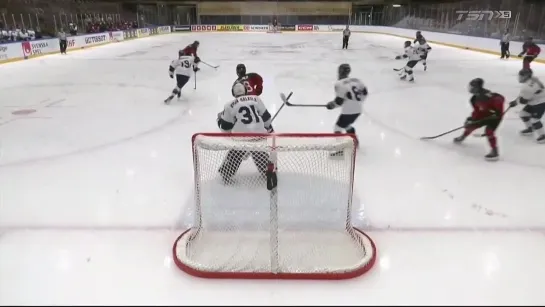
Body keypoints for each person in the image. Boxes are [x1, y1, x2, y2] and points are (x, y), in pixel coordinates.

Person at [216, 82, 275, 185]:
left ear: (233, 93)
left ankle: (226, 173)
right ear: (246, 90)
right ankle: (268, 171)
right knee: (258, 152)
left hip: (241, 138)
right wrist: (267, 127)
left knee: (236, 153)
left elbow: (226, 129)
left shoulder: (229, 105)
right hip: (259, 135)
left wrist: (219, 120)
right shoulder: (256, 99)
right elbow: (267, 119)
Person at [453, 78, 505, 161]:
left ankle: (494, 150)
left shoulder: (487, 95)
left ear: (477, 87)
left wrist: (498, 111)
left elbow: (500, 98)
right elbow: (477, 111)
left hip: (495, 118)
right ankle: (463, 137)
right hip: (484, 115)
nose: (470, 88)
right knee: (471, 125)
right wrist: (472, 119)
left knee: (489, 132)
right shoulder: (473, 99)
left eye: (472, 86)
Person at [325, 63, 368, 156]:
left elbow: (339, 101)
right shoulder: (357, 80)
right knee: (346, 125)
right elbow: (365, 93)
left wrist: (331, 105)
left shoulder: (339, 84)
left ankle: (340, 150)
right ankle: (355, 142)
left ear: (339, 72)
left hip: (348, 111)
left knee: (337, 127)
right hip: (358, 110)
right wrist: (355, 102)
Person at [509, 68, 545, 143]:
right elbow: (523, 96)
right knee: (523, 114)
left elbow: (523, 101)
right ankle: (530, 129)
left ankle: (543, 135)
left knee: (535, 120)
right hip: (535, 100)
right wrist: (516, 101)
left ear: (526, 76)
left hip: (540, 103)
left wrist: (515, 103)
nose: (520, 77)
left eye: (521, 76)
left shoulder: (527, 87)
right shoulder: (532, 80)